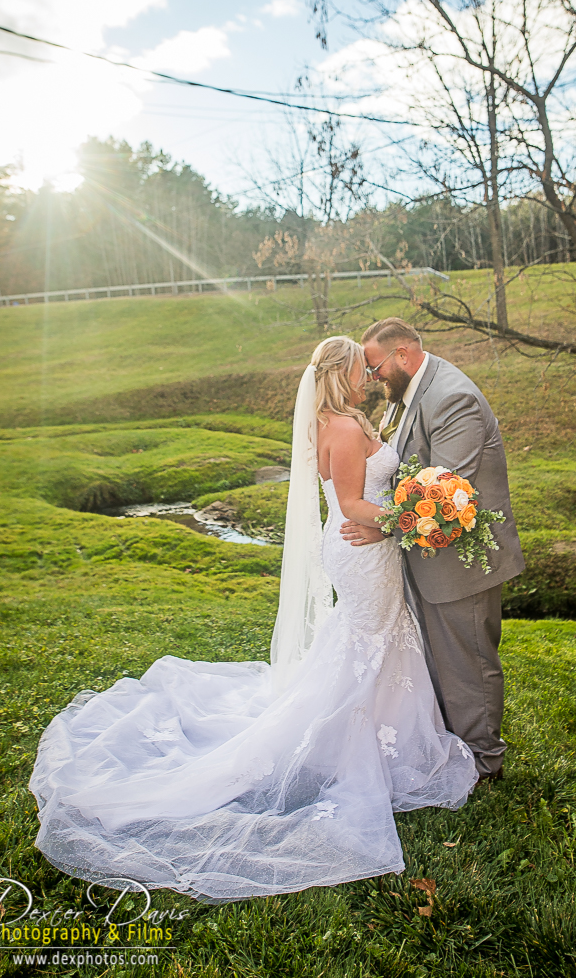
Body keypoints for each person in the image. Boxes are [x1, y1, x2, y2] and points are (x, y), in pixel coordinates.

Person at [30, 336, 477, 902]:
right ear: (340, 372)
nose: (368, 374)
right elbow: (350, 506)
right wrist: (416, 514)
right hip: (361, 549)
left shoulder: (351, 419)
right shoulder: (339, 429)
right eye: (360, 367)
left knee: (379, 640)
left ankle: (389, 734)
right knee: (367, 641)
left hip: (376, 549)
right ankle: (345, 742)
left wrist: (410, 506)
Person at [343, 318, 523, 782]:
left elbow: (444, 492)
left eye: (376, 365)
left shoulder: (451, 398)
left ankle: (485, 762)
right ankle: (454, 746)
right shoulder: (405, 395)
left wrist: (384, 528)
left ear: (403, 353)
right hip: (426, 557)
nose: (372, 376)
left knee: (468, 662)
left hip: (459, 562)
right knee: (441, 658)